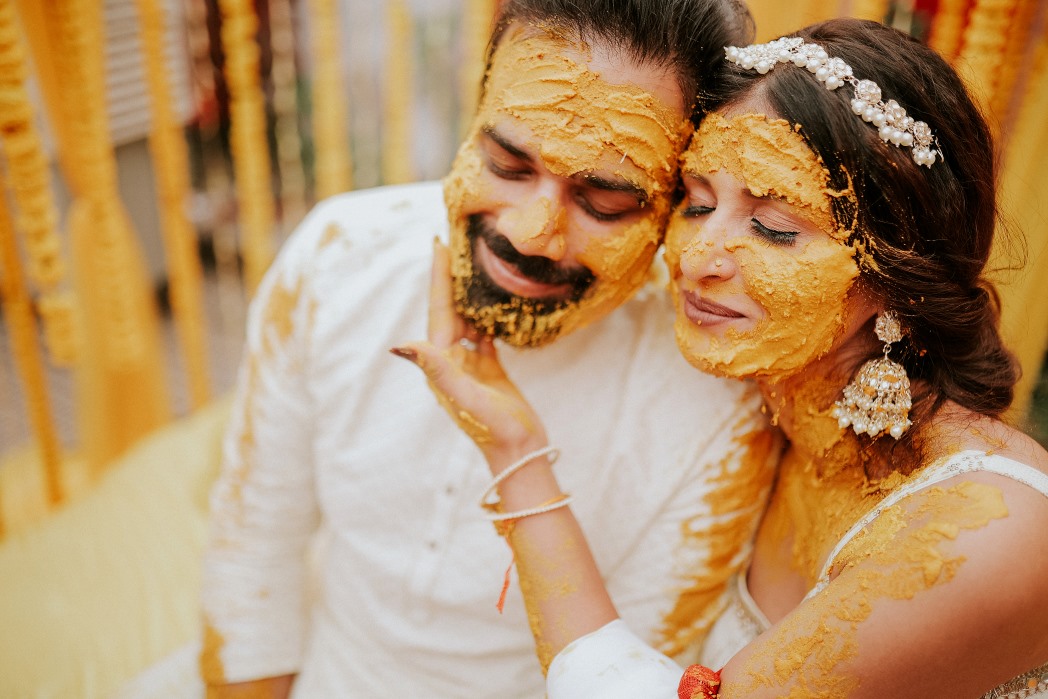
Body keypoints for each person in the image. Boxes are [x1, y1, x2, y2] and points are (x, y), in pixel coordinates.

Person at [398, 17, 1048, 698]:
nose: (700, 260)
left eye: (773, 228)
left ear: (898, 276)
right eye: (697, 204)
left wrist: (516, 452)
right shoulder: (776, 428)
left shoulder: (985, 528)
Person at [200, 1, 778, 697]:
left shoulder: (716, 397)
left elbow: (635, 671)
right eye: (508, 163)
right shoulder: (338, 257)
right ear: (475, 117)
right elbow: (251, 558)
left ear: (673, 208)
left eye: (602, 201)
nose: (534, 233)